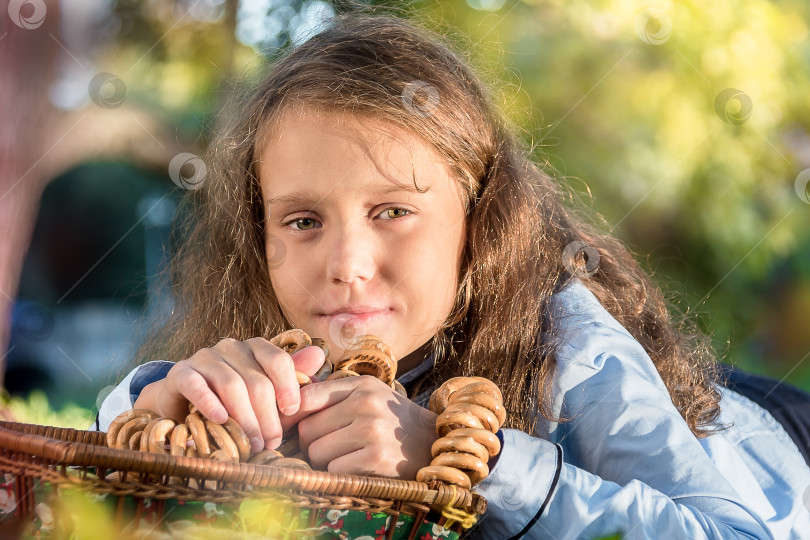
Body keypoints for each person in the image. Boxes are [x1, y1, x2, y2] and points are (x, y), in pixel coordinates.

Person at [93, 11, 810, 539]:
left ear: (477, 221)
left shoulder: (566, 342)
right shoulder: (268, 344)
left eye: (393, 210)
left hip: (772, 442)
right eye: (303, 221)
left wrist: (457, 459)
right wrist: (159, 410)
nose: (345, 267)